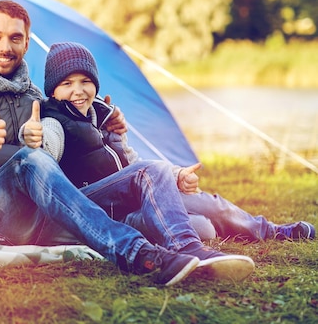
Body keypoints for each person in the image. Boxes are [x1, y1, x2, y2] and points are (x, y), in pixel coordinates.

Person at [0, 0, 255, 286]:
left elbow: (59, 136)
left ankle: (188, 249)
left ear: (27, 43)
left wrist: (105, 123)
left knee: (150, 170)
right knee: (31, 160)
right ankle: (137, 254)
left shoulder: (35, 99)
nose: (5, 46)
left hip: (40, 215)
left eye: (15, 37)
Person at [36, 41, 315, 243]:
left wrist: (175, 176)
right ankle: (196, 236)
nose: (78, 90)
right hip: (105, 213)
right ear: (53, 90)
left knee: (209, 204)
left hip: (138, 195)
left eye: (85, 80)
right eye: (67, 83)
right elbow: (47, 146)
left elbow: (133, 164)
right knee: (202, 229)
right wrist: (35, 140)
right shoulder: (54, 121)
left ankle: (273, 231)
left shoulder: (104, 115)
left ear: (95, 83)